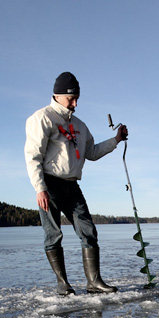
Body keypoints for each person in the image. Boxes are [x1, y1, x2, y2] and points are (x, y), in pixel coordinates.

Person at [24, 71, 128, 295]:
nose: (75, 103)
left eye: (77, 98)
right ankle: (63, 284)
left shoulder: (80, 125)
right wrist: (39, 188)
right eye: (71, 99)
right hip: (49, 186)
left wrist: (116, 140)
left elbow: (91, 152)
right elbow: (33, 156)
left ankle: (94, 282)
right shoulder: (42, 118)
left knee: (88, 230)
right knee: (53, 234)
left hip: (72, 186)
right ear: (57, 95)